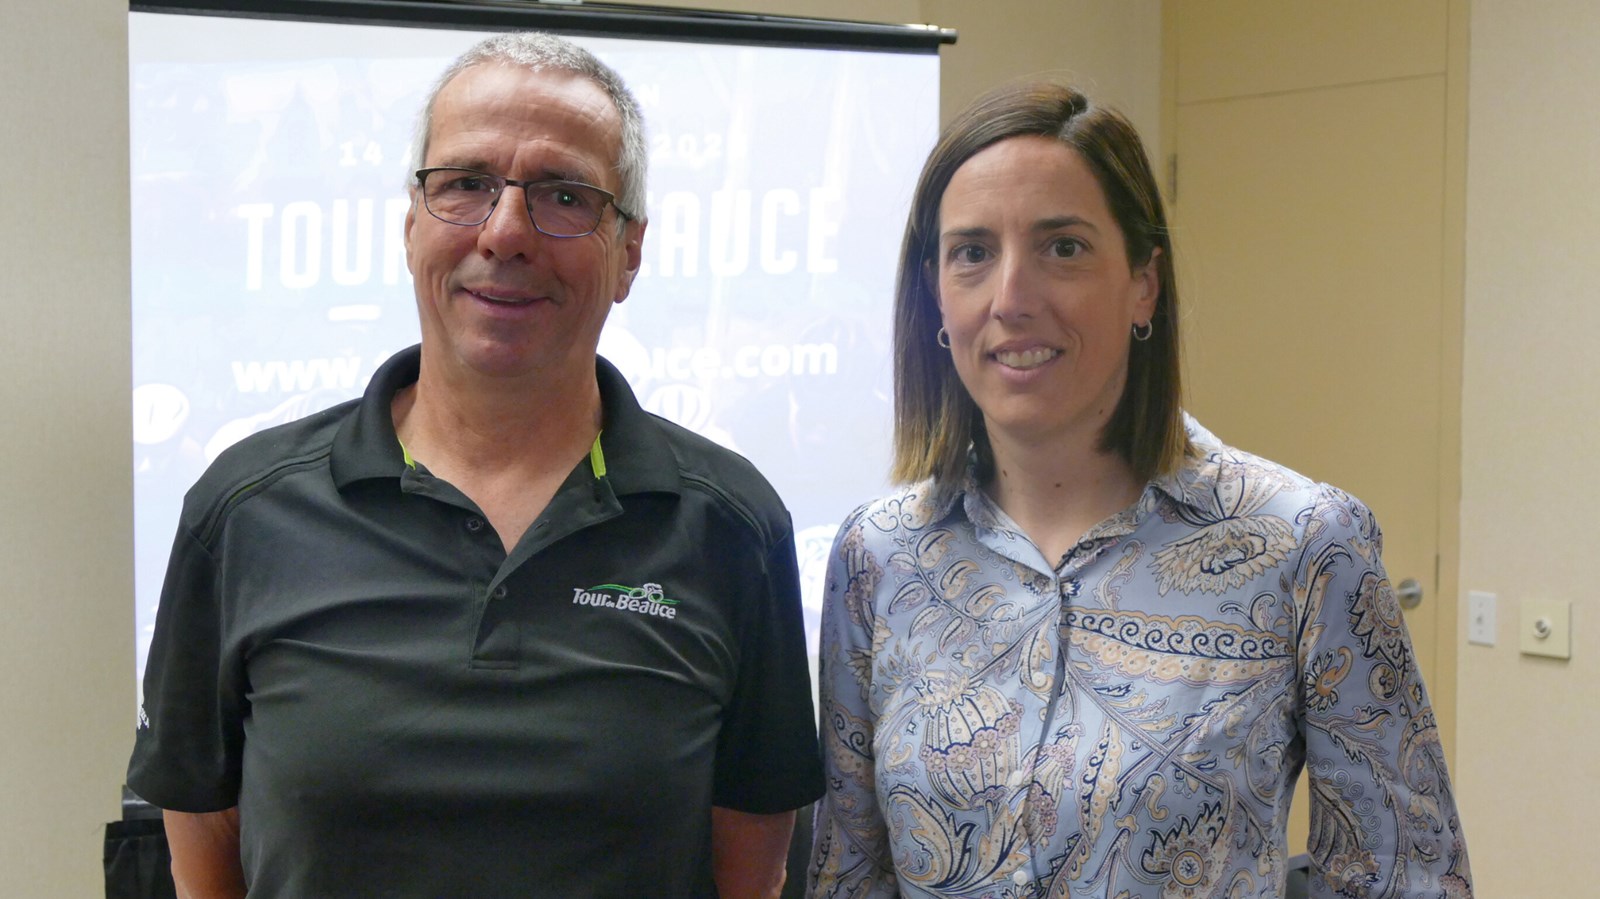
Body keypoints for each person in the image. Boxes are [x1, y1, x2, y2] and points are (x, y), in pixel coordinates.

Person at [127, 32, 822, 898]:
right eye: (465, 185)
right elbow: (204, 828)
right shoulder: (244, 511)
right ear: (411, 222)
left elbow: (748, 868)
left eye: (564, 196)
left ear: (629, 252)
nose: (506, 232)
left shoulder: (732, 525)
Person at [808, 82, 1471, 898]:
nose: (1012, 298)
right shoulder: (877, 558)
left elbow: (1406, 874)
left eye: (1063, 248)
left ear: (1144, 284)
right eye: (972, 252)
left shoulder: (1303, 544)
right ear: (936, 296)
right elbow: (851, 873)